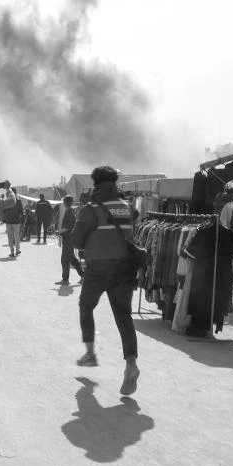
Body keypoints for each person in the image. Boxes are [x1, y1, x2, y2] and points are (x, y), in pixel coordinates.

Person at [71, 166, 140, 395]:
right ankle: (131, 364)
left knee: (86, 306)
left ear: (95, 184)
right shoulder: (128, 207)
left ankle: (90, 353)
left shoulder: (91, 209)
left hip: (98, 268)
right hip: (124, 268)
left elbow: (76, 241)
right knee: (123, 316)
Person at [58, 196, 84, 285]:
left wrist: (60, 231)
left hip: (68, 238)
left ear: (64, 203)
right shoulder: (71, 211)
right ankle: (68, 278)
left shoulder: (69, 211)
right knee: (70, 258)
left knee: (66, 259)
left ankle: (66, 279)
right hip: (68, 238)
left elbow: (69, 226)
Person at [1, 184, 23, 257]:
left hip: (9, 222)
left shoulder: (6, 201)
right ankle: (17, 250)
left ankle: (12, 252)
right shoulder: (19, 201)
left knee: (10, 237)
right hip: (16, 222)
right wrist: (19, 218)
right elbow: (21, 211)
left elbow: (3, 211)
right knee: (17, 237)